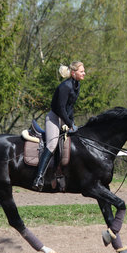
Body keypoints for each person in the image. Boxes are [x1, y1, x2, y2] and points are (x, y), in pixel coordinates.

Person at [32, 61, 85, 191]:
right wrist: (68, 123)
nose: (84, 73)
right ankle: (38, 177)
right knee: (52, 144)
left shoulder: (77, 85)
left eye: (84, 71)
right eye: (81, 71)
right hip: (54, 118)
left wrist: (71, 122)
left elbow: (70, 107)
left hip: (65, 119)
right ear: (73, 73)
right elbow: (60, 108)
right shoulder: (65, 86)